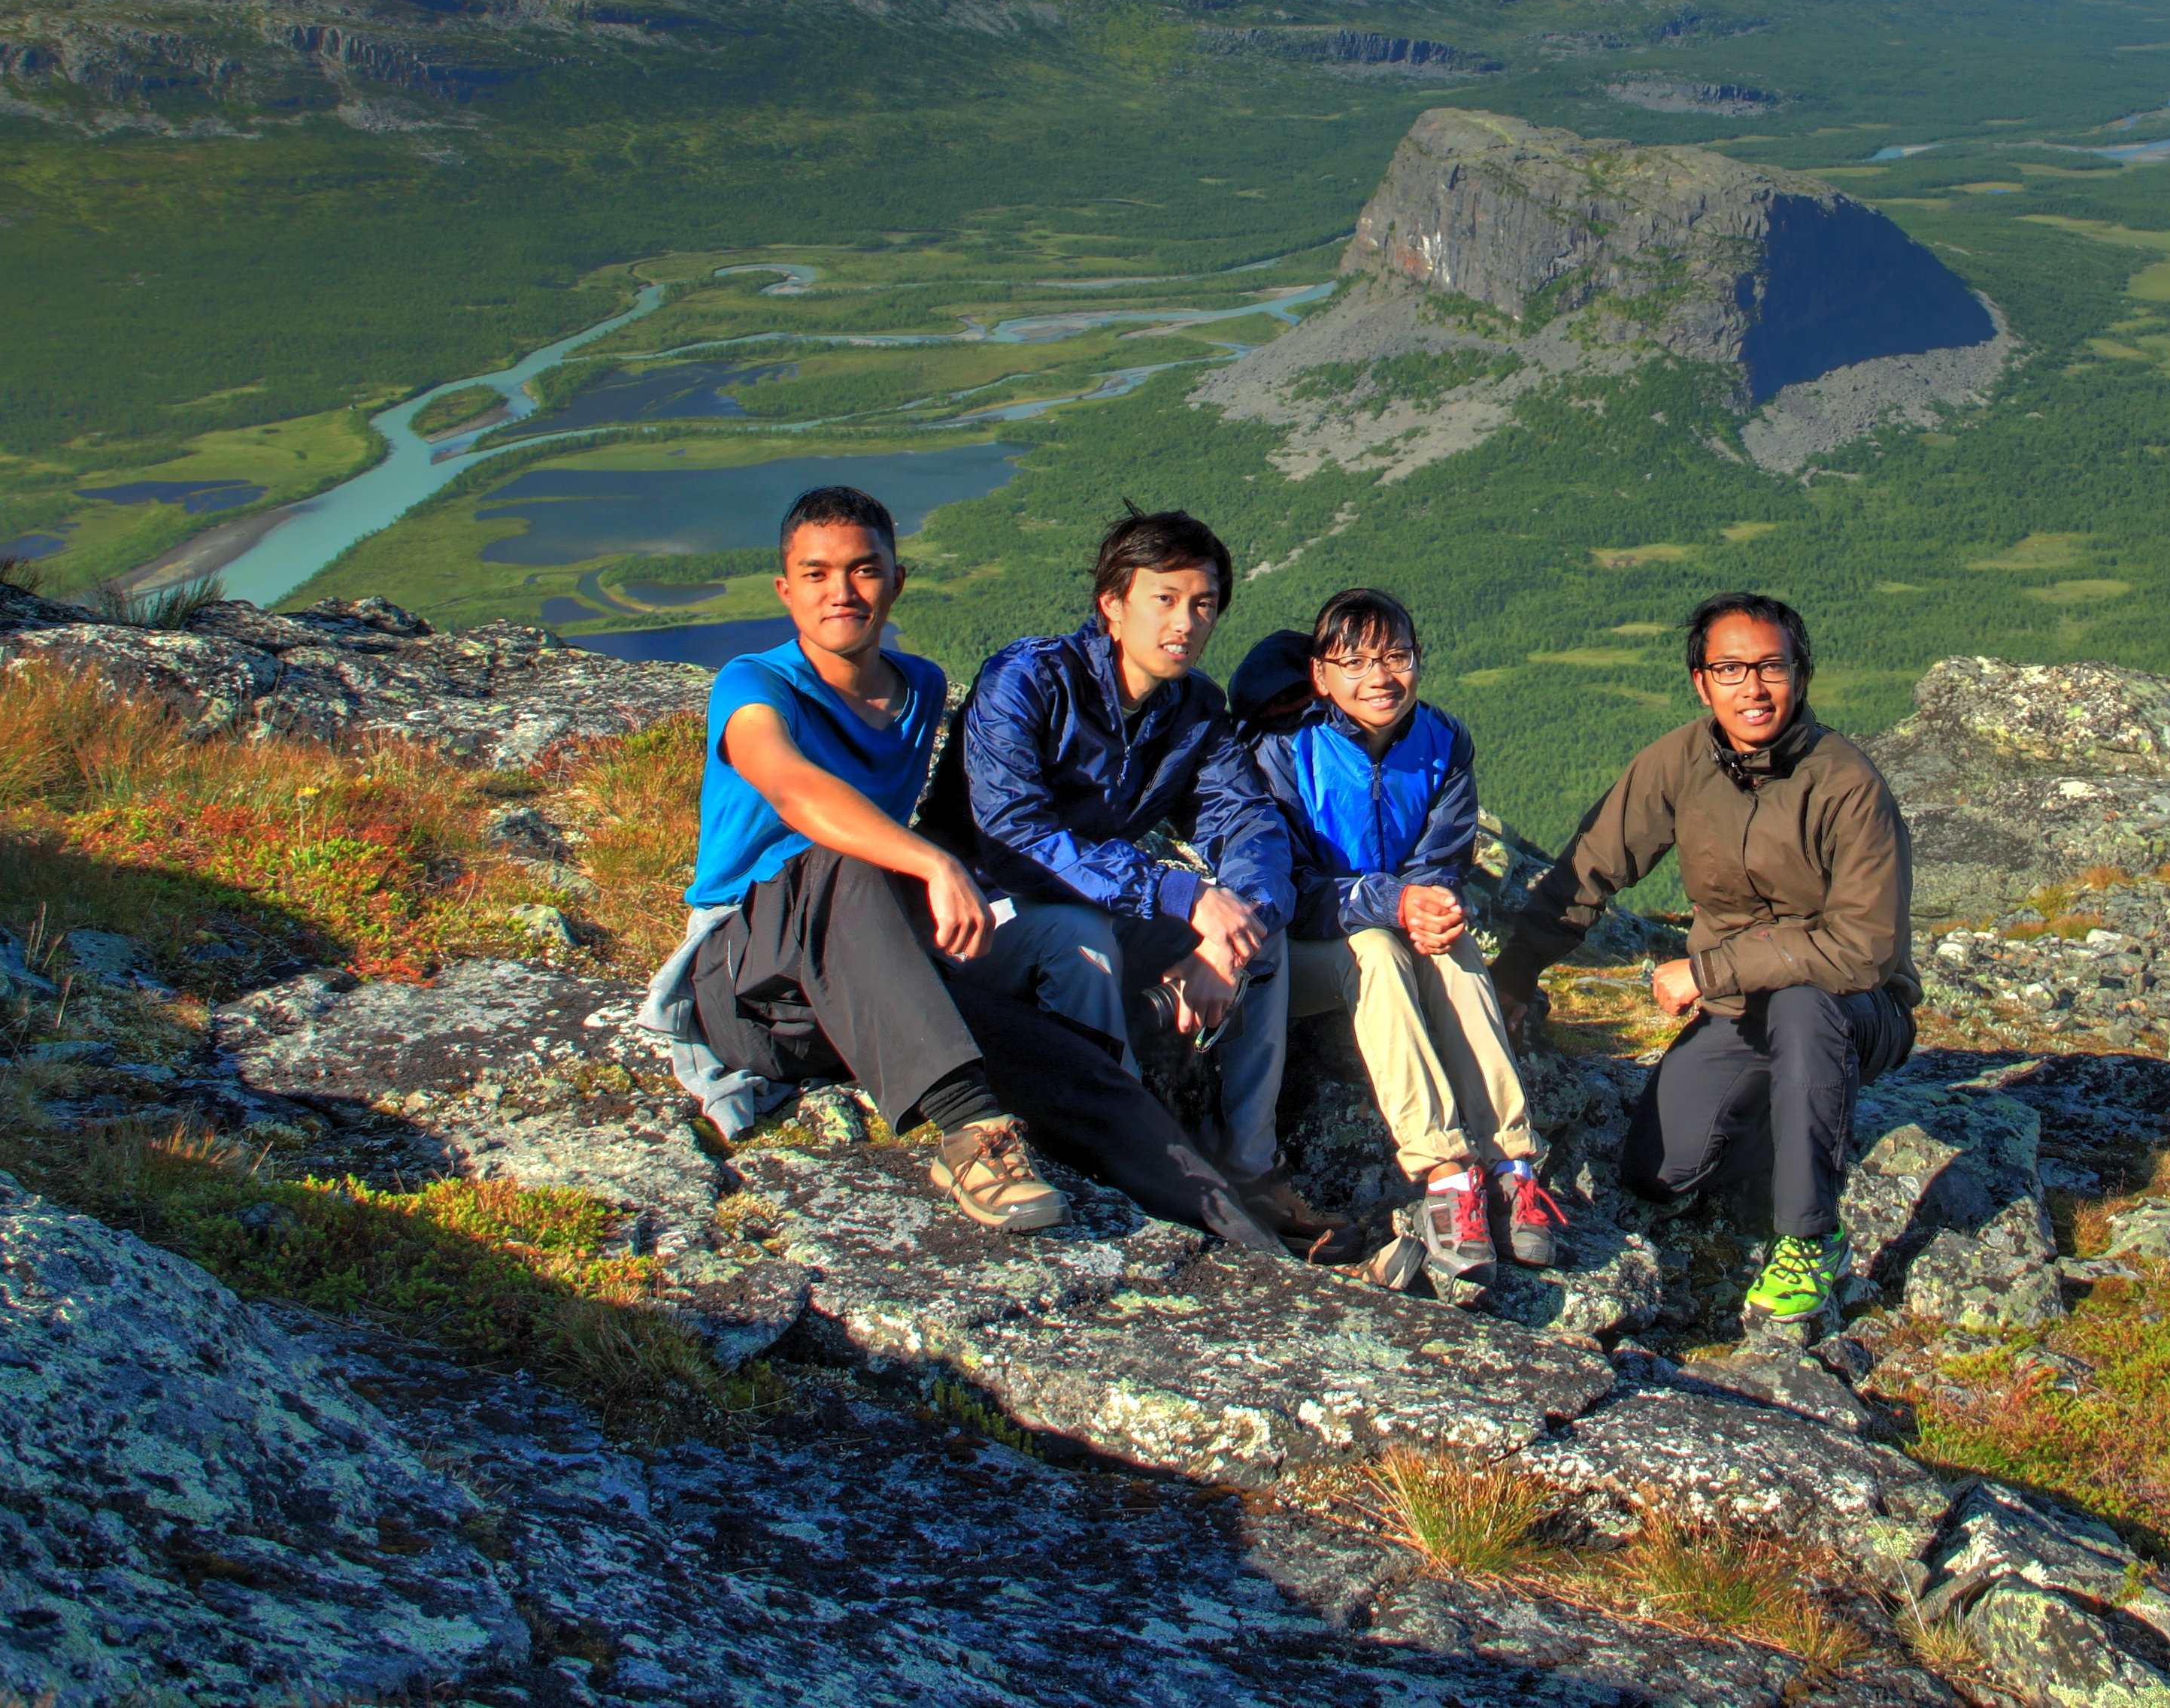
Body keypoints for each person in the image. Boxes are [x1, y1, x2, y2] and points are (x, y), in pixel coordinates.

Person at [637, 484, 1281, 1260]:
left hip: (882, 977)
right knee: (844, 860)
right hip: (751, 981)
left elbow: (1246, 823)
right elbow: (791, 785)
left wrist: (1209, 931)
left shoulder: (918, 691)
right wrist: (929, 859)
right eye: (816, 574)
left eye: (864, 570)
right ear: (785, 589)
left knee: (1084, 1049)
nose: (841, 591)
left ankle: (1248, 1239)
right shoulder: (755, 684)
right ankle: (971, 1132)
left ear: (896, 581)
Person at [1488, 592, 1917, 1325]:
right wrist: (1517, 969)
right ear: (1700, 682)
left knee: (1802, 1007)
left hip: (1855, 1006)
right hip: (1737, 1012)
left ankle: (1812, 1238)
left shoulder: (1846, 784)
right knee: (1659, 1172)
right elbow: (1592, 865)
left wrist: (1711, 971)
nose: (1751, 687)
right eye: (1729, 668)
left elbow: (1862, 949)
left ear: (1799, 675)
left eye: (1771, 667)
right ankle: (1800, 1109)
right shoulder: (1681, 762)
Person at [920, 507, 1338, 1249]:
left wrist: (1225, 937)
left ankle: (1247, 1169)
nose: (1185, 621)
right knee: (1080, 940)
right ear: (1112, 604)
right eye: (1164, 598)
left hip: (1093, 907)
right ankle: (1136, 1162)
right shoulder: (1028, 681)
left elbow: (1248, 826)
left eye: (1203, 603)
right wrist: (1177, 893)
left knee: (1254, 935)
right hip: (980, 925)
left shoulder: (1192, 709)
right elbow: (1017, 834)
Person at [1235, 589, 1568, 1280]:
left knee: (1454, 949)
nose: (1379, 677)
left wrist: (1432, 904)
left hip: (1398, 927)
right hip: (1304, 952)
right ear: (1318, 677)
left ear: (1420, 661)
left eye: (1395, 657)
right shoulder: (1283, 752)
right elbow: (1282, 890)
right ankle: (1445, 1177)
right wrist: (1394, 901)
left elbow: (1442, 863)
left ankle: (1511, 1163)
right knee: (1380, 950)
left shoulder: (1443, 741)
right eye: (1352, 661)